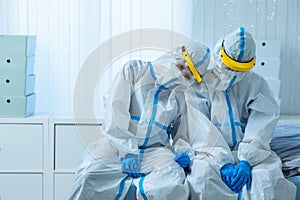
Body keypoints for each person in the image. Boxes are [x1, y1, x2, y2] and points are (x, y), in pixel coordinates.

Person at [68, 41, 211, 200]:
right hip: (116, 146)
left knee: (173, 185)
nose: (181, 75)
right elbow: (115, 112)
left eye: (187, 75)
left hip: (156, 149)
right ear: (175, 55)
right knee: (87, 176)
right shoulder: (134, 71)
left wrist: (182, 151)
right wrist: (127, 150)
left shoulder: (180, 95)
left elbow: (181, 131)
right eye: (181, 67)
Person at [181, 27, 297, 200]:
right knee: (202, 180)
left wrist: (247, 159)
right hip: (209, 152)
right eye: (230, 67)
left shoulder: (255, 84)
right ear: (220, 55)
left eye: (239, 69)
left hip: (251, 151)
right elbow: (200, 126)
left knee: (268, 182)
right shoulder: (202, 83)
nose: (234, 73)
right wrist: (222, 161)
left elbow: (262, 125)